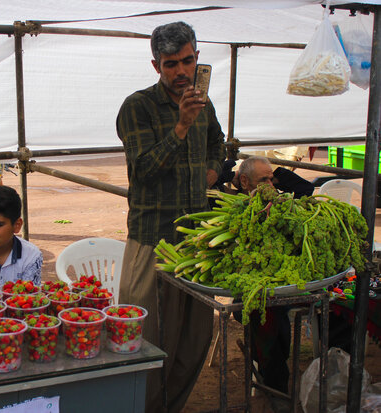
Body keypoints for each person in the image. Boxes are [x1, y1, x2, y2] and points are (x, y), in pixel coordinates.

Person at [116, 22, 226, 412]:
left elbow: (218, 141)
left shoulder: (204, 103)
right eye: (170, 64)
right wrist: (180, 126)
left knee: (193, 343)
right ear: (156, 66)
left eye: (188, 61)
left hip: (196, 242)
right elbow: (143, 170)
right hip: (153, 240)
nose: (181, 72)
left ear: (197, 58)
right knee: (147, 343)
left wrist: (213, 168)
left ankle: (170, 408)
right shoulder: (138, 107)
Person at [225, 156, 314, 413]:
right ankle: (274, 386)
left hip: (284, 281)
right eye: (263, 180)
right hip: (251, 288)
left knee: (329, 306)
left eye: (271, 179)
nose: (271, 185)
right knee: (266, 317)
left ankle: (276, 382)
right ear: (244, 181)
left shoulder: (280, 204)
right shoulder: (233, 205)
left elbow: (307, 190)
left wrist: (275, 176)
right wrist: (235, 179)